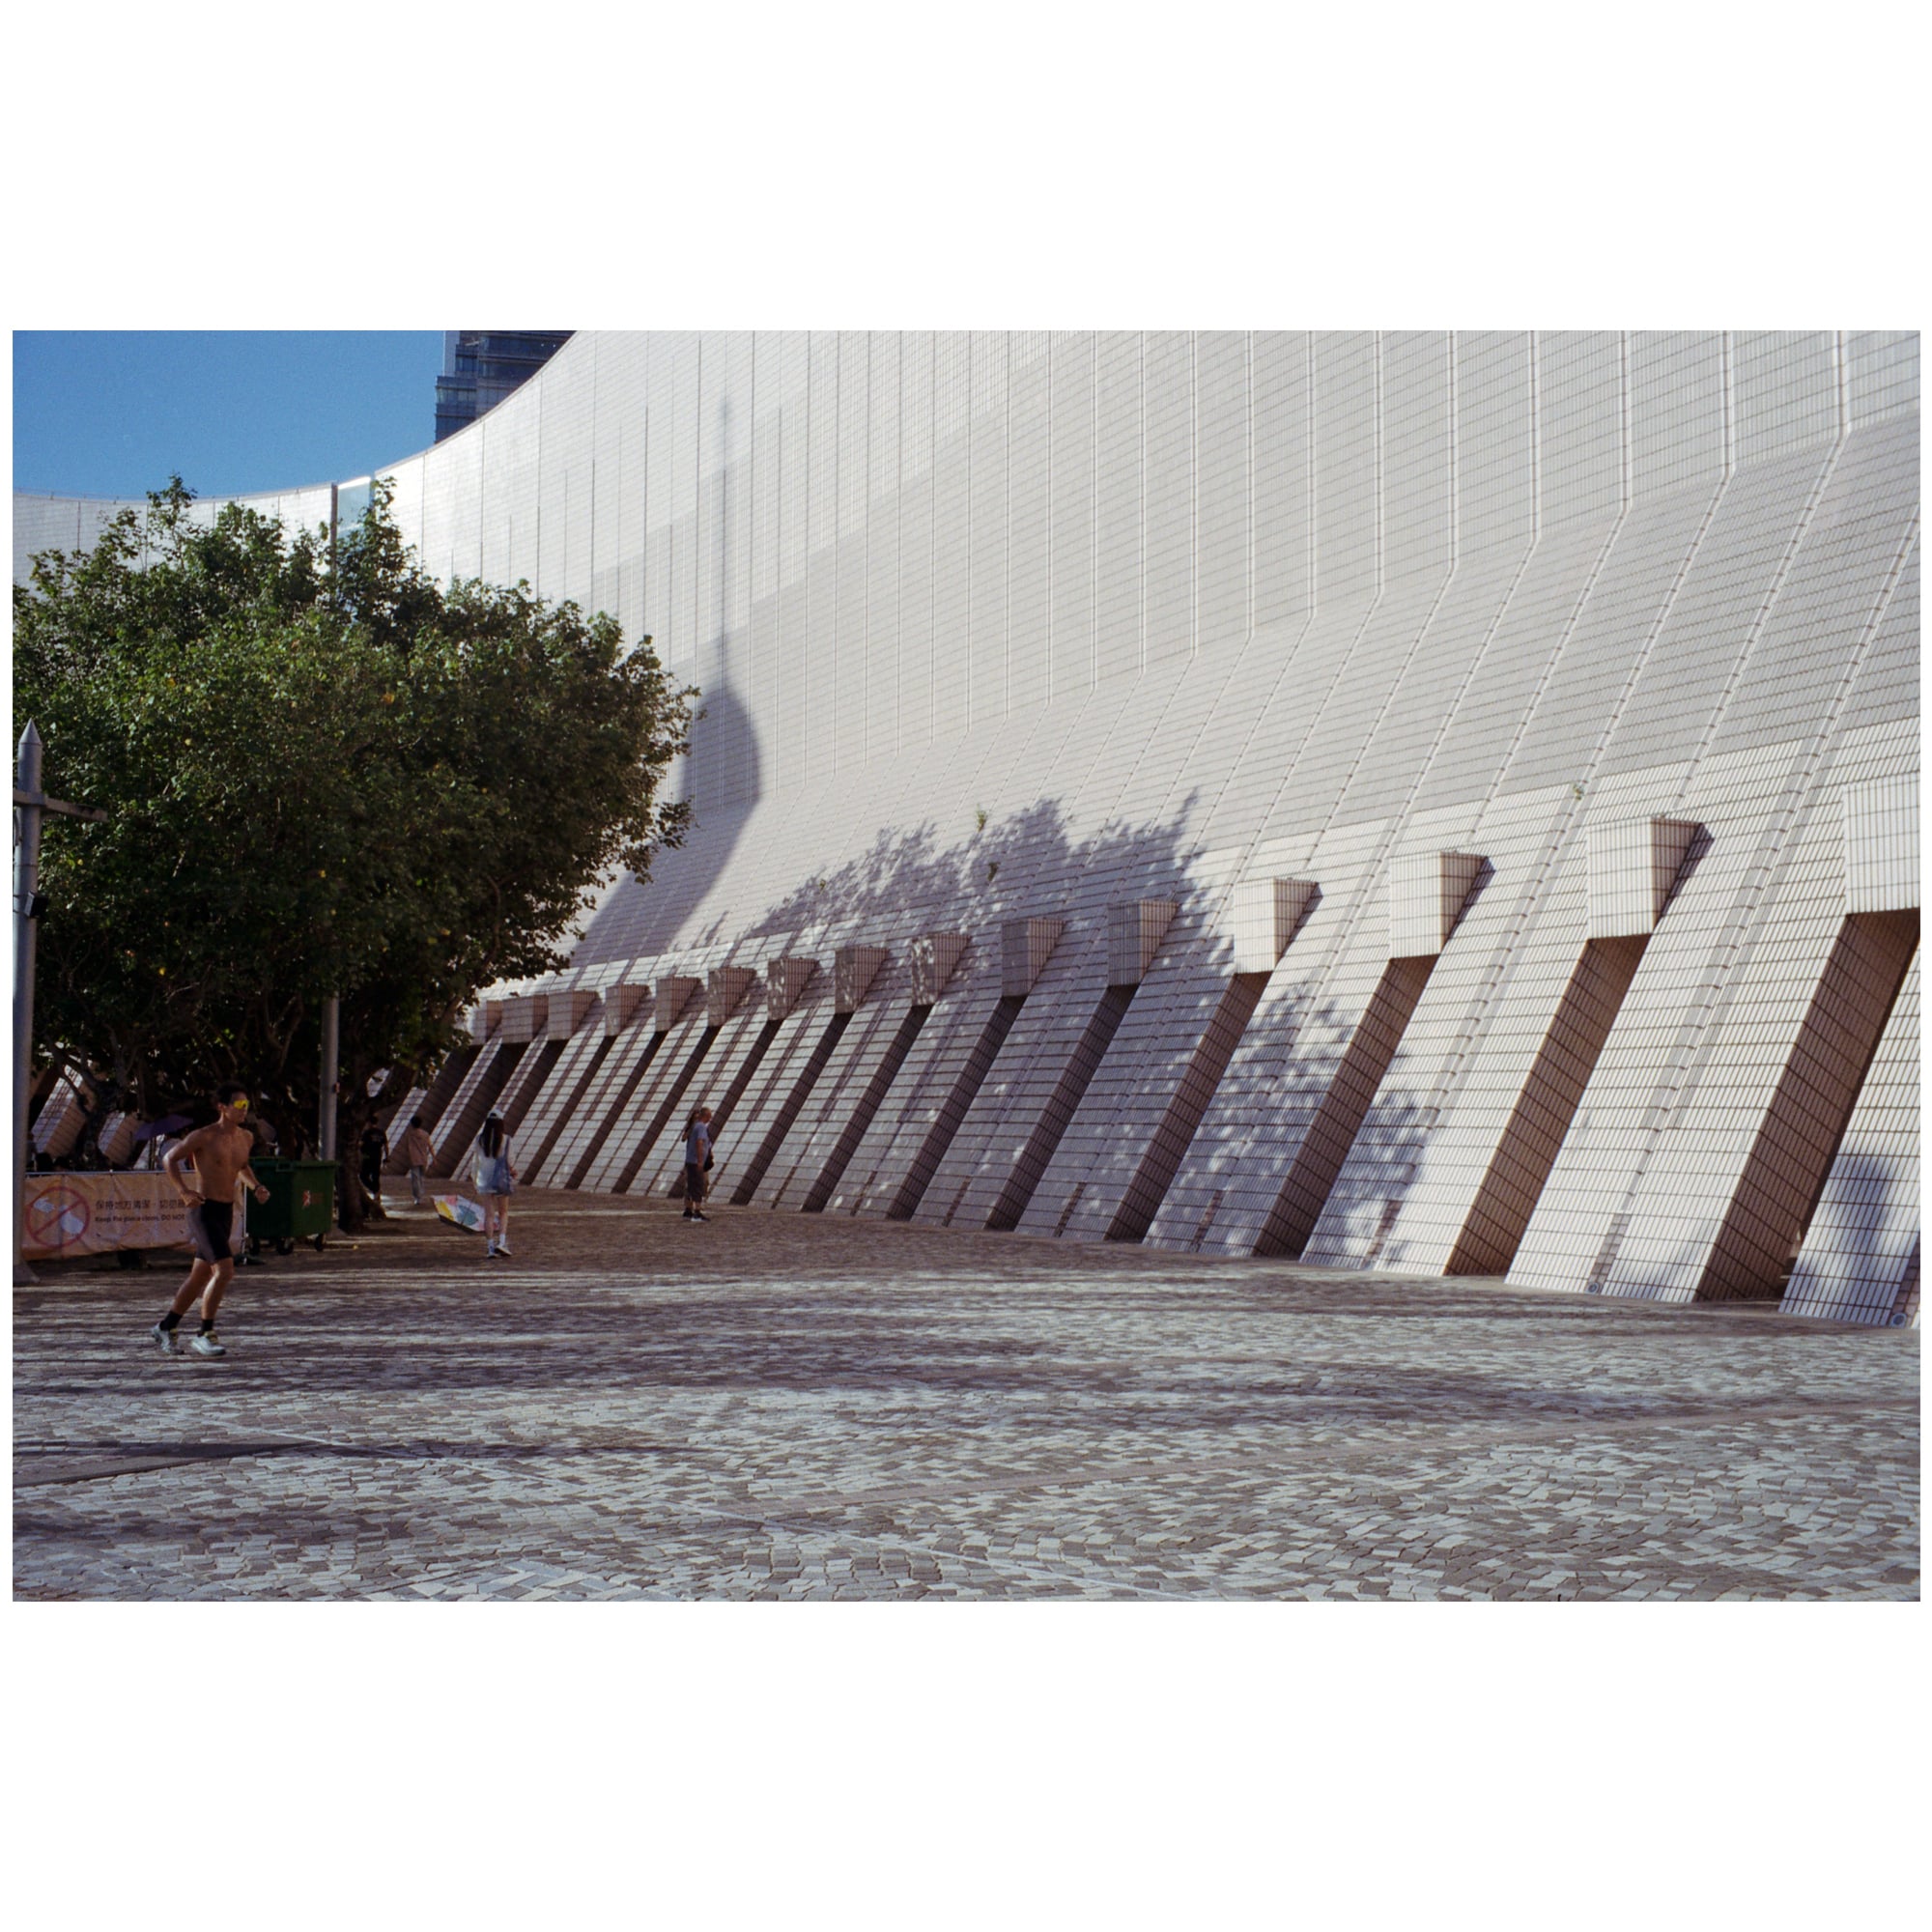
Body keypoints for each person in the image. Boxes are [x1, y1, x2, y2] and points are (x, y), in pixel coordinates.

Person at [150, 1084, 271, 1358]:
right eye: (238, 1105)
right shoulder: (204, 1136)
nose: (244, 1110)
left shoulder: (246, 1137)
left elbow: (241, 1167)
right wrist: (183, 1191)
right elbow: (169, 1158)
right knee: (225, 1271)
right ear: (222, 1107)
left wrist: (256, 1187)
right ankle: (205, 1333)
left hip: (225, 1211)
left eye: (246, 1105)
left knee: (200, 1276)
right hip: (203, 1210)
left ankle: (166, 1326)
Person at [476, 1110, 517, 1257]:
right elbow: (509, 1160)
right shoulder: (506, 1139)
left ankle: (490, 1248)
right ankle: (502, 1242)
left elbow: (478, 1158)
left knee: (489, 1214)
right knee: (503, 1212)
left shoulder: (480, 1139)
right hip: (501, 1179)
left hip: (484, 1179)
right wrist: (512, 1170)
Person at [682, 1106, 714, 1222]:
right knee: (698, 1186)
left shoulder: (695, 1127)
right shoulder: (700, 1127)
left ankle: (691, 1210)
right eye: (709, 1116)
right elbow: (699, 1142)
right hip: (696, 1162)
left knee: (693, 1186)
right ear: (706, 1116)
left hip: (691, 1161)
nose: (710, 1118)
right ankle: (697, 1212)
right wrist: (700, 1160)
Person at [400, 1114, 435, 1206]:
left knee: (415, 1178)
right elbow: (430, 1146)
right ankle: (421, 1193)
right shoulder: (425, 1134)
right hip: (423, 1158)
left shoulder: (410, 1134)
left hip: (413, 1158)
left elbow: (406, 1146)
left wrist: (406, 1156)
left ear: (412, 1124)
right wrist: (434, 1157)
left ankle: (417, 1197)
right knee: (421, 1177)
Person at [359, 1122, 385, 1198]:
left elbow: (361, 1144)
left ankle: (375, 1190)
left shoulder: (367, 1132)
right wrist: (387, 1157)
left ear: (369, 1123)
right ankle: (376, 1194)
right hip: (378, 1157)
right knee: (375, 1176)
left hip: (367, 1157)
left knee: (363, 1176)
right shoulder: (381, 1132)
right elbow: (386, 1145)